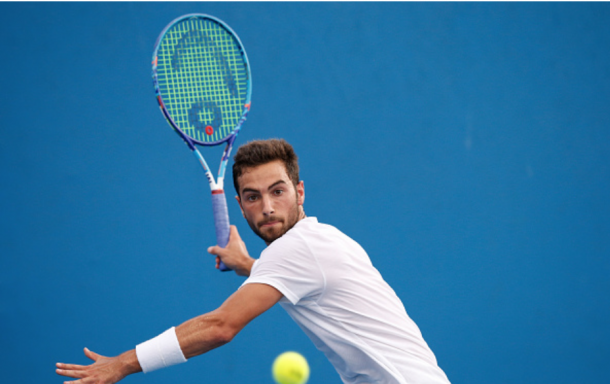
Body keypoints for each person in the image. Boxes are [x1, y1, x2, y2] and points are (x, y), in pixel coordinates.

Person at [56, 139, 450, 384]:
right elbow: (292, 276)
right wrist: (248, 264)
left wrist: (122, 364)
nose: (267, 207)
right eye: (252, 196)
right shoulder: (324, 239)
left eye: (278, 191)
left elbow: (221, 326)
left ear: (300, 192)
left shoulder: (294, 251)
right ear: (240, 207)